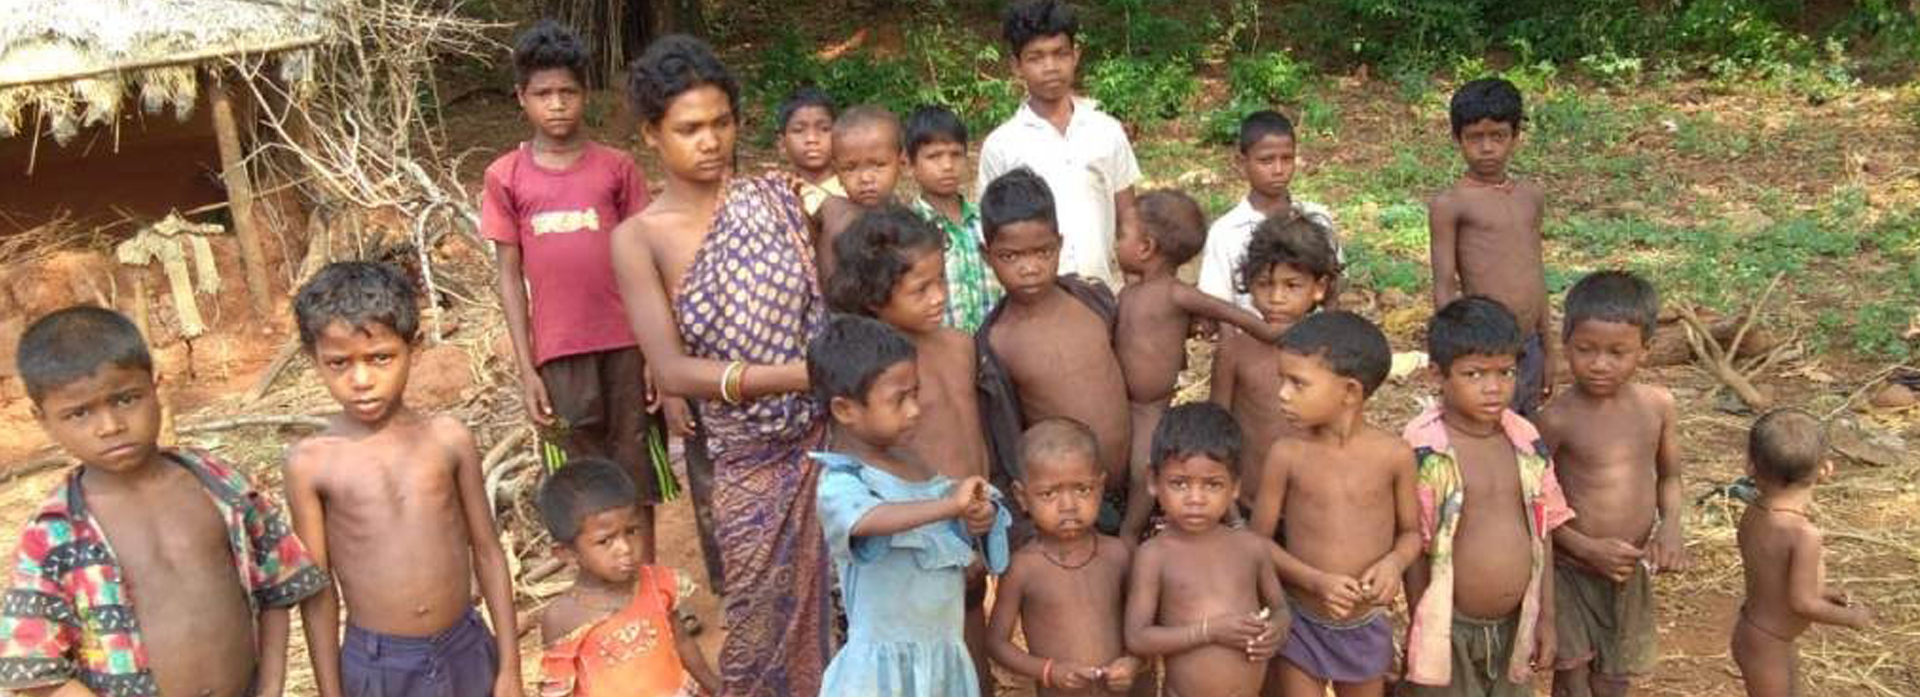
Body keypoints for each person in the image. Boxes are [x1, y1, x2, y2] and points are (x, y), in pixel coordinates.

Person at [609, 34, 830, 697]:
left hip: (828, 440)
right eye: (689, 129)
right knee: (760, 624)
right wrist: (800, 375)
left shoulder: (778, 199)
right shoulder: (639, 238)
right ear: (652, 134)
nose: (710, 141)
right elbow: (673, 371)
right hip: (744, 460)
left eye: (721, 123)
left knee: (844, 608)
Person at [0, 307, 328, 697]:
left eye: (125, 399)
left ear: (156, 386)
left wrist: (271, 687)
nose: (110, 426)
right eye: (79, 413)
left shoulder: (221, 486)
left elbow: (277, 585)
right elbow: (37, 671)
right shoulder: (53, 535)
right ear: (42, 419)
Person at [284, 262, 523, 697]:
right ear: (313, 359)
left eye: (381, 358)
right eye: (338, 363)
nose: (361, 380)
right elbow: (319, 594)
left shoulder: (448, 439)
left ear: (413, 347)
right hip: (378, 666)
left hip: (466, 648)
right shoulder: (312, 463)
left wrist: (510, 667)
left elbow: (488, 552)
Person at [484, 21, 672, 560]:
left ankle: (648, 587)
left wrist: (655, 353)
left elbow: (647, 265)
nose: (557, 105)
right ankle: (599, 591)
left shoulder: (617, 168)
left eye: (567, 91)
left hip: (626, 347)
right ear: (521, 98)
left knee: (636, 469)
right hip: (558, 355)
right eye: (543, 94)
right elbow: (509, 276)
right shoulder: (506, 177)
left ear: (585, 93)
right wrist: (527, 370)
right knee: (577, 477)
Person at [825, 204, 994, 692]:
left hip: (969, 526)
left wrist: (978, 524)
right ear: (875, 298)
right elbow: (873, 469)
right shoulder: (880, 378)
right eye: (921, 289)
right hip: (913, 548)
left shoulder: (959, 345)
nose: (939, 296)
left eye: (941, 280)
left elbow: (973, 435)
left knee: (967, 661)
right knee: (913, 667)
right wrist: (945, 532)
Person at [807, 314, 1010, 697]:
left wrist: (976, 517)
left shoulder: (916, 465)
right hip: (884, 672)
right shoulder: (843, 480)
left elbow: (947, 527)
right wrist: (949, 507)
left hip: (941, 656)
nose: (915, 409)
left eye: (915, 393)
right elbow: (869, 519)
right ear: (845, 410)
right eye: (899, 400)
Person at [1402, 296, 1574, 697]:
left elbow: (1543, 529)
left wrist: (1547, 617)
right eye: (1474, 374)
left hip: (1517, 625)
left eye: (1505, 372)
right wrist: (1419, 627)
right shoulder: (1425, 449)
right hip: (1448, 630)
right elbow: (1413, 545)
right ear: (1437, 375)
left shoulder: (1525, 439)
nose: (1493, 388)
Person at [1534, 271, 1689, 697]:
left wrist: (1671, 526)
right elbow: (1532, 502)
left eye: (1617, 352)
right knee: (1573, 676)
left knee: (1613, 678)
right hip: (1567, 570)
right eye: (1585, 349)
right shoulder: (1555, 419)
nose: (1600, 364)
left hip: (1625, 571)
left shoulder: (1658, 406)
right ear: (1566, 344)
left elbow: (1670, 475)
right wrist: (1584, 547)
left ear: (1646, 350)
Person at [1248, 311, 1418, 697]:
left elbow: (1411, 533)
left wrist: (1394, 563)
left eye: (1298, 383)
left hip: (1365, 624)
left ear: (1350, 392)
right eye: (1282, 380)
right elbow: (1257, 542)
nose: (1282, 393)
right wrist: (1315, 581)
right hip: (1301, 621)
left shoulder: (1394, 456)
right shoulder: (1287, 454)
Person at [975, 167, 1135, 539]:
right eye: (1010, 256)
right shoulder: (995, 342)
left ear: (1059, 245)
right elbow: (1006, 438)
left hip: (1133, 485)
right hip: (1067, 507)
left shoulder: (1091, 299)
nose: (1029, 268)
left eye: (1042, 251)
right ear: (987, 255)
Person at [1116, 189, 1280, 492]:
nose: (1116, 243)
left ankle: (1135, 521)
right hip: (1122, 401)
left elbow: (1229, 312)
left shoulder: (1176, 293)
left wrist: (1271, 333)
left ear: (1146, 247)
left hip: (1150, 404)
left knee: (1144, 467)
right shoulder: (1128, 293)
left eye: (1121, 235)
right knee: (1130, 463)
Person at [1123, 402, 1287, 697]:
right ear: (1153, 481)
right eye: (1179, 484)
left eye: (1212, 485)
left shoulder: (1251, 547)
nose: (1195, 499)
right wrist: (1209, 631)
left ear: (1235, 486)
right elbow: (1137, 637)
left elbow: (1281, 609)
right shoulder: (1155, 555)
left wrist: (1276, 630)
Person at [977, 0, 1141, 289]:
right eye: (1036, 57)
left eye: (1059, 53)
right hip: (1033, 299)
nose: (1050, 67)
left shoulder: (1106, 131)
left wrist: (1136, 286)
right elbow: (993, 233)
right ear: (1016, 65)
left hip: (1102, 293)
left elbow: (1128, 215)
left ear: (1075, 55)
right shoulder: (1001, 146)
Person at [535, 457, 719, 697]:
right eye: (605, 541)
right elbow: (558, 691)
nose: (625, 548)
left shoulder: (657, 581)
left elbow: (682, 642)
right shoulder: (562, 618)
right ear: (567, 553)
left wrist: (716, 688)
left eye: (631, 531)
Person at [987, 418, 1145, 696]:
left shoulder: (1118, 555)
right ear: (1022, 497)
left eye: (1083, 489)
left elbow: (1144, 627)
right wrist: (1048, 671)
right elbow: (996, 643)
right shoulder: (1024, 568)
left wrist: (1133, 661)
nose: (1069, 506)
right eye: (1049, 493)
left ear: (1101, 486)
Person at [1428, 77, 1554, 416]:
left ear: (1515, 136)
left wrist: (1549, 348)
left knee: (1526, 429)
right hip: (1484, 348)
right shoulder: (1451, 203)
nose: (1487, 148)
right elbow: (1444, 284)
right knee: (1486, 429)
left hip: (1530, 343)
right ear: (1457, 138)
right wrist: (1450, 353)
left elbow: (1536, 273)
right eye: (1475, 138)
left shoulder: (1530, 196)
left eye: (1498, 136)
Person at [1733, 409, 1870, 697]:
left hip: (1760, 634)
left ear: (1750, 466)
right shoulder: (1804, 534)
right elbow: (1803, 603)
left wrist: (1823, 591)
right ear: (1826, 469)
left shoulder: (1754, 512)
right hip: (1769, 642)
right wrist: (1850, 618)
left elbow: (1772, 576)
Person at [1210, 215, 1337, 512]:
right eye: (1264, 284)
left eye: (1292, 285)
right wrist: (1230, 515)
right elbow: (1215, 434)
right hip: (1247, 505)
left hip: (1314, 508)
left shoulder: (1332, 353)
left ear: (1319, 287)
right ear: (1248, 284)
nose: (1276, 298)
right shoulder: (1236, 350)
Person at [1195, 110, 1342, 311]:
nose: (1278, 170)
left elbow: (1332, 289)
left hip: (1311, 330)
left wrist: (1329, 326)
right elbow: (1216, 306)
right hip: (1247, 331)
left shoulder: (1317, 218)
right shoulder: (1225, 232)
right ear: (1241, 163)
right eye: (1266, 160)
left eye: (1287, 158)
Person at [905, 104, 1001, 333]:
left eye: (956, 154)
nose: (947, 166)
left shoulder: (987, 221)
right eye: (934, 156)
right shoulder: (908, 230)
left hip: (995, 345)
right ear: (910, 164)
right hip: (938, 348)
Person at [816, 105, 906, 281]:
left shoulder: (907, 220)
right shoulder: (833, 218)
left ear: (902, 163)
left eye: (878, 165)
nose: (865, 178)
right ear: (837, 172)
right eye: (850, 168)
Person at [777, 86, 844, 216]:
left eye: (824, 129)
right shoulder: (776, 195)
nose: (812, 139)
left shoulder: (854, 191)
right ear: (782, 144)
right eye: (799, 130)